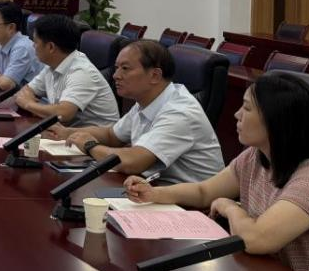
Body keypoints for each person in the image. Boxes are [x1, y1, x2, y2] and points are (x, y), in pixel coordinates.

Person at [125, 72, 309, 271]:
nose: (237, 114)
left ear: (276, 118)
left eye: (247, 108)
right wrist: (154, 193)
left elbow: (256, 239)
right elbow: (204, 191)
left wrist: (230, 207)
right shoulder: (257, 156)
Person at [52, 40, 224, 183]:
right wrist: (68, 132)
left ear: (155, 76)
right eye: (117, 67)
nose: (115, 75)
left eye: (125, 68)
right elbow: (112, 135)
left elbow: (133, 161)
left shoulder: (180, 112)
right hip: (156, 189)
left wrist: (90, 146)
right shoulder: (146, 101)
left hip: (191, 206)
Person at [15, 15, 119, 127]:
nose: (33, 46)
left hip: (94, 136)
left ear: (50, 47)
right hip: (66, 132)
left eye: (35, 42)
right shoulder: (53, 65)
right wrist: (30, 103)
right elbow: (26, 90)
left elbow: (63, 114)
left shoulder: (82, 72)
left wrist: (28, 104)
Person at [0, 1, 43, 90]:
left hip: (34, 97)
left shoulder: (22, 48)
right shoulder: (2, 43)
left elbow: (6, 84)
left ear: (11, 27)